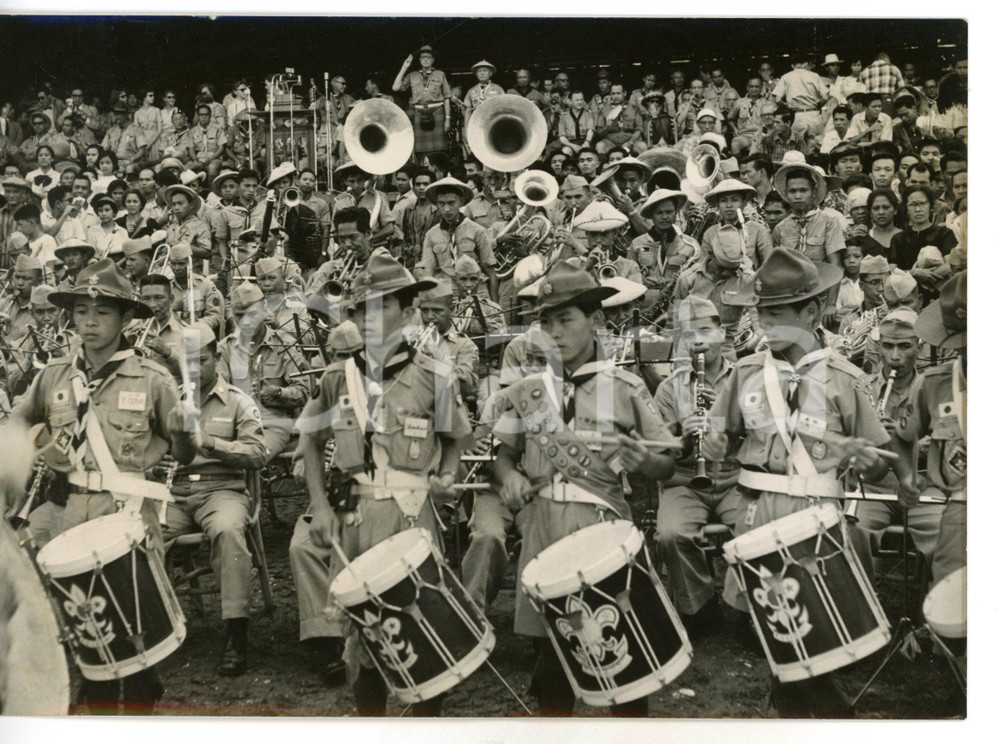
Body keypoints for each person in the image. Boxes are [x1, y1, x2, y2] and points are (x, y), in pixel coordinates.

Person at [702, 247, 893, 717]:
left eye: (775, 313)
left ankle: (826, 713)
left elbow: (879, 461)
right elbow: (720, 445)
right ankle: (801, 708)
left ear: (812, 311)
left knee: (813, 633)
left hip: (817, 517)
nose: (763, 324)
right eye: (759, 313)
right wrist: (710, 443)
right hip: (757, 513)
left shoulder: (846, 380)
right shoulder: (746, 373)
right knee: (776, 630)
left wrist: (866, 461)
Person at [12, 257, 199, 714]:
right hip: (60, 509)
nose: (89, 322)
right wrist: (40, 445)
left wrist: (180, 433)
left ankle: (134, 701)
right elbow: (16, 424)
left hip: (124, 513)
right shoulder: (54, 375)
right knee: (67, 624)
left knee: (127, 628)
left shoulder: (153, 378)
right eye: (81, 312)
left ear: (124, 319)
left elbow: (186, 456)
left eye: (102, 313)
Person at [493, 259, 675, 717]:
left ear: (595, 321)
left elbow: (665, 466)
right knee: (552, 665)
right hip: (544, 532)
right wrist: (510, 476)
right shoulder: (527, 391)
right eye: (547, 321)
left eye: (566, 319)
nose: (554, 332)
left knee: (625, 663)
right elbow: (504, 455)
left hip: (604, 532)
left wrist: (646, 460)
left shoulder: (627, 387)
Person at [296, 253, 471, 716]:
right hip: (355, 517)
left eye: (383, 308)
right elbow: (310, 442)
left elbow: (453, 441)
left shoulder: (433, 376)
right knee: (365, 640)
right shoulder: (338, 377)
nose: (370, 320)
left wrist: (446, 475)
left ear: (409, 312)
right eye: (360, 310)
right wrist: (320, 505)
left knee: (423, 632)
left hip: (412, 518)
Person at [162, 322, 267, 677]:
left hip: (222, 489)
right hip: (174, 493)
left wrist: (210, 442)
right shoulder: (170, 399)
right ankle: (151, 626)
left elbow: (257, 454)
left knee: (228, 531)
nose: (193, 370)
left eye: (202, 361)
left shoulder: (238, 401)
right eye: (187, 363)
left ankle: (236, 632)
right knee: (141, 535)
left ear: (217, 356)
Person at [653, 296, 739, 629]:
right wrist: (684, 437)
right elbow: (663, 452)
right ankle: (700, 608)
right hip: (686, 480)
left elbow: (761, 439)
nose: (699, 340)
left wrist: (727, 415)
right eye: (689, 334)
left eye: (706, 330)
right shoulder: (668, 389)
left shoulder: (744, 379)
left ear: (722, 332)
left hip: (735, 476)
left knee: (758, 527)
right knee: (670, 535)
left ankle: (745, 608)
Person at [853, 307, 945, 570]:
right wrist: (869, 435)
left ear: (919, 346)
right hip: (872, 487)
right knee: (852, 531)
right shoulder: (861, 387)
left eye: (904, 347)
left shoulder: (934, 388)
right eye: (887, 346)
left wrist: (906, 439)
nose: (894, 357)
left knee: (945, 535)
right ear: (878, 347)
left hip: (923, 484)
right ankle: (861, 606)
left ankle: (932, 608)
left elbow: (946, 445)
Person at [892, 272, 966, 588]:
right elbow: (901, 436)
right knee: (951, 596)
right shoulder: (934, 384)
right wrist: (908, 477)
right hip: (962, 507)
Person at [219, 280, 308, 464]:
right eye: (239, 315)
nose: (245, 322)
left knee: (248, 456)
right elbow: (218, 394)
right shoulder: (225, 348)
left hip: (272, 426)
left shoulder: (284, 343)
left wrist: (278, 392)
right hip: (233, 426)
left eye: (252, 314)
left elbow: (305, 392)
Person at [421, 176, 498, 300]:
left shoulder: (477, 230)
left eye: (451, 203)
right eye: (441, 203)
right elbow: (428, 271)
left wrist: (495, 306)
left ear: (461, 202)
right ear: (437, 204)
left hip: (476, 290)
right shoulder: (431, 234)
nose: (446, 209)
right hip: (446, 292)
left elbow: (490, 271)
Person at [626, 188, 699, 317]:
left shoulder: (690, 244)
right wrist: (641, 281)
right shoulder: (637, 244)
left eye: (669, 212)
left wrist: (686, 279)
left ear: (676, 213)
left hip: (678, 307)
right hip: (645, 308)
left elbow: (699, 281)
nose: (665, 217)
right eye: (659, 213)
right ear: (651, 215)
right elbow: (628, 280)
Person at [418, 276, 480, 402]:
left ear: (451, 310)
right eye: (424, 310)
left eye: (437, 310)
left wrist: (439, 358)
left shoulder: (465, 345)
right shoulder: (411, 339)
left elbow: (467, 387)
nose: (429, 316)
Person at [393, 45, 452, 159]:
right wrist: (405, 67)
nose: (425, 59)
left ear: (432, 60)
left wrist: (448, 119)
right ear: (419, 60)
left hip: (438, 112)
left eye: (428, 57)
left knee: (439, 150)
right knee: (420, 152)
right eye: (423, 57)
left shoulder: (440, 74)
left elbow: (447, 97)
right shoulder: (412, 75)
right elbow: (395, 87)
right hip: (419, 112)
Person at [701, 179, 772, 268]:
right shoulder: (710, 233)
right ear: (718, 204)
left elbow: (770, 265)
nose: (729, 205)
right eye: (723, 200)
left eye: (734, 200)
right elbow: (702, 266)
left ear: (744, 203)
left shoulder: (759, 230)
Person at [573, 200, 643, 284]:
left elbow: (635, 294)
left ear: (615, 234)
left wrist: (615, 275)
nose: (598, 239)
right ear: (586, 234)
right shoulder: (572, 264)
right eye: (593, 234)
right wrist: (586, 268)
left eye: (604, 234)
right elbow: (564, 293)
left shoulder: (630, 266)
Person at [889, 185, 958, 269]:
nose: (918, 209)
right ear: (907, 209)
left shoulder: (945, 233)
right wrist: (913, 274)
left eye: (922, 203)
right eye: (912, 204)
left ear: (931, 206)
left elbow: (950, 266)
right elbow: (892, 271)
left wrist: (926, 276)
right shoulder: (898, 239)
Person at [167, 242, 225, 336]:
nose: (176, 268)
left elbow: (215, 316)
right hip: (173, 335)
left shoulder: (206, 285)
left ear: (191, 263)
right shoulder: (166, 286)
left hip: (199, 336)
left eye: (181, 264)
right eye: (173, 264)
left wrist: (195, 326)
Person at [771, 57, 830, 135]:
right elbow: (825, 97)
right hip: (813, 114)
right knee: (817, 144)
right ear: (806, 63)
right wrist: (818, 105)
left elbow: (777, 100)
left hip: (796, 115)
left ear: (792, 65)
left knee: (797, 145)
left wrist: (787, 106)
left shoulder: (786, 77)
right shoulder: (814, 76)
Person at [164, 184, 213, 265]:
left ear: (191, 205)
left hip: (192, 270)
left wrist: (183, 247)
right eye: (174, 204)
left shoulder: (200, 226)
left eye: (180, 203)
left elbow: (207, 253)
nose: (176, 208)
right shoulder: (172, 227)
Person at [1, 253, 45, 341]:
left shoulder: (44, 310)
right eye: (17, 277)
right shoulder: (3, 304)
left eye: (26, 278)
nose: (20, 283)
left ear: (39, 281)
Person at [463, 60, 505, 127]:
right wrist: (467, 129)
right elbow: (467, 111)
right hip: (477, 123)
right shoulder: (471, 91)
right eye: (479, 71)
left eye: (485, 71)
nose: (482, 73)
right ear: (476, 74)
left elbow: (504, 108)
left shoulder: (498, 89)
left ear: (490, 73)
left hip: (494, 122)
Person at [556, 91, 597, 157]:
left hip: (585, 142)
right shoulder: (564, 116)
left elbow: (590, 130)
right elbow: (562, 136)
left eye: (581, 99)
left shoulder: (588, 114)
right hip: (570, 143)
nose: (580, 102)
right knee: (566, 151)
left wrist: (587, 142)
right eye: (577, 100)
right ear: (570, 101)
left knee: (586, 153)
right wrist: (572, 146)